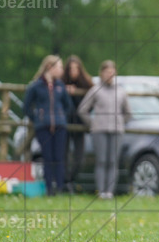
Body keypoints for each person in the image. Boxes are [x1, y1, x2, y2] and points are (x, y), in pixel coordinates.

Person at [78, 60, 131, 199]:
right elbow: (83, 109)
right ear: (101, 73)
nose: (109, 74)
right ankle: (101, 191)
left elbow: (128, 113)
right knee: (102, 160)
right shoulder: (95, 90)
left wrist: (120, 122)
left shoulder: (121, 91)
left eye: (112, 71)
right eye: (107, 71)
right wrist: (93, 123)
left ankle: (110, 191)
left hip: (116, 131)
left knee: (113, 161)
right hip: (99, 131)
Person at [24, 54, 72, 196]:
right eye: (59, 67)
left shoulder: (60, 86)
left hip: (59, 126)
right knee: (47, 157)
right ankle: (49, 188)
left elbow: (68, 106)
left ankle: (60, 187)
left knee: (59, 157)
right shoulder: (36, 86)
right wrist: (37, 118)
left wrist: (61, 117)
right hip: (43, 127)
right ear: (50, 67)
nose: (62, 70)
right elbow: (26, 106)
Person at [62, 55, 94, 192]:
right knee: (64, 155)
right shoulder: (61, 84)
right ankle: (65, 184)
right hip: (65, 124)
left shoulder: (86, 84)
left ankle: (70, 180)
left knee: (79, 158)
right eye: (71, 69)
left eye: (76, 68)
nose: (74, 71)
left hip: (80, 125)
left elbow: (91, 103)